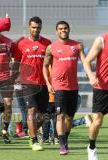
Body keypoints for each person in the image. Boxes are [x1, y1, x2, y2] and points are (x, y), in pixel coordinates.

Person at [43, 21, 85, 155]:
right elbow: (45, 66)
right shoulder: (51, 47)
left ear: (69, 29)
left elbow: (85, 61)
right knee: (60, 116)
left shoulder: (77, 46)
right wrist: (49, 84)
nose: (63, 30)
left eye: (65, 28)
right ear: (56, 31)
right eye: (60, 29)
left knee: (70, 118)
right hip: (58, 87)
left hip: (73, 87)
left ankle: (64, 140)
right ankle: (62, 145)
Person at [14, 16, 51, 151]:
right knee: (32, 110)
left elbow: (51, 63)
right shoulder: (21, 43)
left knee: (43, 116)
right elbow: (16, 61)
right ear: (29, 28)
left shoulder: (47, 43)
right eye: (33, 27)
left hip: (43, 83)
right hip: (27, 82)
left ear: (41, 28)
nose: (36, 29)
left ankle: (31, 133)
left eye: (38, 27)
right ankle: (35, 140)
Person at [83, 32, 108, 160]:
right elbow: (86, 62)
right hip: (102, 88)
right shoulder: (101, 40)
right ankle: (91, 148)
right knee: (97, 121)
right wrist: (92, 77)